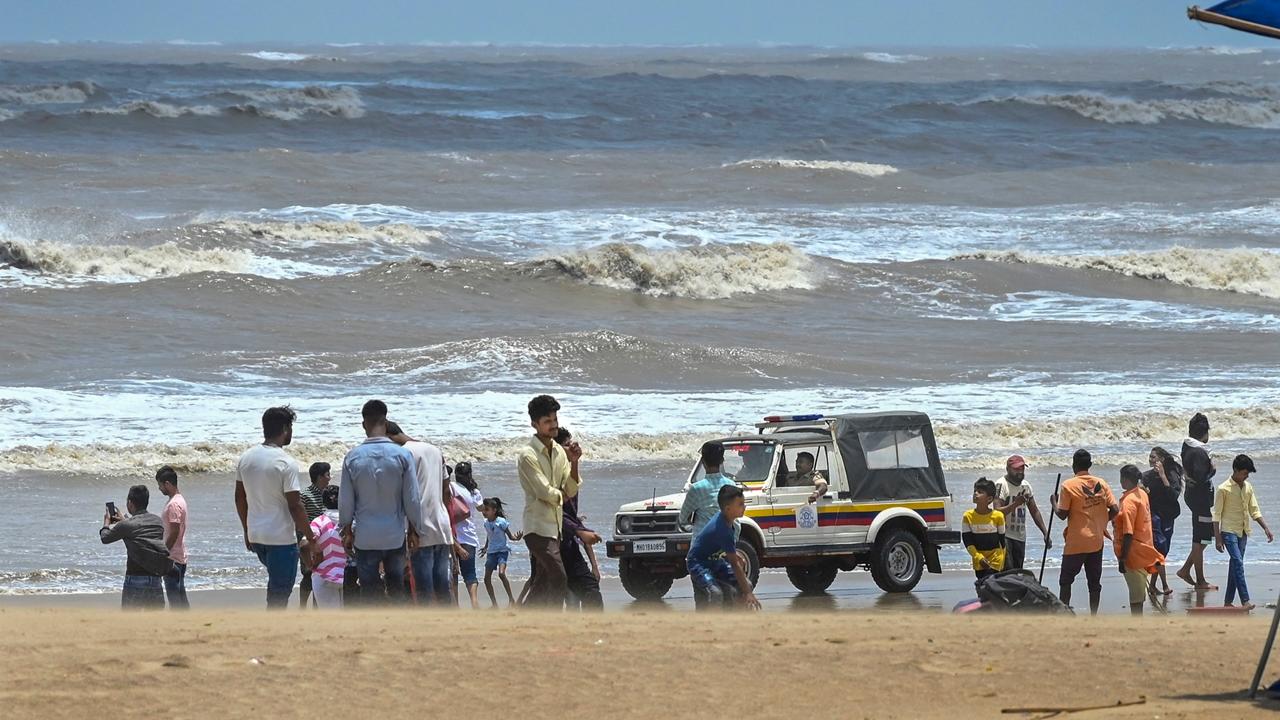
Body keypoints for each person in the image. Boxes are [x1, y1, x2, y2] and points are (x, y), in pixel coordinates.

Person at [337, 400, 425, 605]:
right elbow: (412, 498)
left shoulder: (352, 457)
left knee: (369, 590)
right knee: (396, 587)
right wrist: (414, 530)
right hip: (394, 535)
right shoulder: (403, 455)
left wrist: (347, 529)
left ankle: (373, 630)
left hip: (366, 537)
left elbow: (346, 500)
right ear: (385, 422)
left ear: (363, 424)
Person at [235, 406, 316, 610]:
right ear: (285, 429)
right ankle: (273, 632)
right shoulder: (285, 462)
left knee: (275, 588)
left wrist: (246, 529)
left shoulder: (246, 458)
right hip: (280, 539)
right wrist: (311, 537)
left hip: (257, 536)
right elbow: (295, 505)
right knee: (279, 593)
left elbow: (239, 497)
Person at [517, 395, 582, 608]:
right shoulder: (528, 455)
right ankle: (551, 624)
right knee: (559, 578)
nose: (553, 425)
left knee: (542, 584)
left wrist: (574, 462)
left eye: (555, 420)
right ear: (535, 424)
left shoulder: (560, 453)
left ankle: (522, 621)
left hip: (555, 529)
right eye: (547, 421)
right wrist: (561, 495)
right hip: (537, 528)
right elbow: (544, 492)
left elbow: (571, 489)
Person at [387, 421, 454, 606]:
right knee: (443, 586)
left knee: (424, 588)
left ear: (390, 437)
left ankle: (429, 628)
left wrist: (409, 528)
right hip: (442, 524)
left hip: (420, 527)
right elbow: (446, 490)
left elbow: (405, 494)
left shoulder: (403, 453)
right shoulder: (434, 450)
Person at [1051, 449, 1118, 615]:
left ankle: (1065, 614)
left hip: (1076, 542)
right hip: (1096, 540)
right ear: (1090, 465)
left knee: (1065, 581)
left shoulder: (1068, 485)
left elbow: (1062, 514)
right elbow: (1115, 509)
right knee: (1094, 582)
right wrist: (1102, 522)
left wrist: (1053, 502)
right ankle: (1093, 616)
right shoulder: (1101, 483)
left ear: (1074, 465)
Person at [685, 485, 761, 611]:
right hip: (698, 563)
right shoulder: (722, 529)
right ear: (728, 509)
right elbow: (735, 565)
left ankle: (737, 615)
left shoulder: (729, 522)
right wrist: (748, 593)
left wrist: (735, 555)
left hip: (714, 561)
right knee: (716, 593)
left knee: (746, 584)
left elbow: (725, 550)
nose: (744, 507)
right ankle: (713, 623)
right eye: (741, 504)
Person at [1214, 455, 1274, 610]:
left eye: (1247, 474)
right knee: (1238, 563)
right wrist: (1218, 539)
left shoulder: (1248, 487)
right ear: (1236, 470)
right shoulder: (1223, 489)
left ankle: (1228, 602)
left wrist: (1266, 528)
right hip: (1228, 531)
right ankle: (1245, 600)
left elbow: (1254, 510)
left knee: (1235, 565)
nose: (1246, 476)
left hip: (1243, 532)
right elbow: (1216, 515)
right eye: (1244, 473)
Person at [100, 484, 172, 610]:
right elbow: (140, 531)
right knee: (154, 623)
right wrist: (125, 520)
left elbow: (105, 538)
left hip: (135, 580)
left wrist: (106, 523)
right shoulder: (158, 522)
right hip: (155, 580)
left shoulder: (127, 526)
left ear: (130, 503)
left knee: (131, 623)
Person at [555, 427, 603, 610]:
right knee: (552, 594)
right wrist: (578, 530)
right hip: (552, 540)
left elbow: (572, 490)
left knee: (586, 591)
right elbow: (553, 509)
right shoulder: (550, 473)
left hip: (567, 539)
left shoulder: (566, 470)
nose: (572, 447)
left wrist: (575, 462)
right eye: (567, 445)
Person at [1114, 464, 1165, 616]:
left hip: (1132, 554)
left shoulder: (1128, 502)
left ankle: (1138, 626)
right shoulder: (1142, 494)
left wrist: (1123, 559)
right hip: (1145, 549)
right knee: (1139, 594)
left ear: (1125, 479)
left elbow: (1128, 533)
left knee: (1136, 598)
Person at [992, 455, 1050, 570]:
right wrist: (1015, 504)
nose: (1020, 472)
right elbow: (997, 512)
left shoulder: (1026, 486)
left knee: (1018, 572)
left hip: (1020, 536)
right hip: (1004, 536)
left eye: (1022, 469)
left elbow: (1034, 511)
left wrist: (1045, 532)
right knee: (1008, 573)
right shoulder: (1001, 485)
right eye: (1016, 469)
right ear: (1008, 469)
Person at [1179, 413, 1217, 590]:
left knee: (1204, 537)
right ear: (1205, 432)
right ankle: (1199, 580)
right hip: (1200, 499)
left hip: (1194, 497)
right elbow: (1201, 477)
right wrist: (1213, 471)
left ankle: (1186, 569)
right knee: (1201, 538)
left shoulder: (1187, 446)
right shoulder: (1199, 452)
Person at [1141, 447, 1182, 597]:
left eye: (1154, 457)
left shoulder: (1172, 474)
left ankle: (1152, 586)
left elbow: (1173, 496)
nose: (1151, 460)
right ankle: (1164, 585)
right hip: (1154, 516)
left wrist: (1163, 476)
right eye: (1150, 457)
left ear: (1162, 460)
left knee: (1163, 551)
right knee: (1160, 546)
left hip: (1168, 515)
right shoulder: (1146, 476)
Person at [680, 442, 739, 537]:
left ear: (703, 461)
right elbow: (736, 523)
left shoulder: (696, 489)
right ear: (722, 460)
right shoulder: (731, 485)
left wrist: (693, 526)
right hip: (724, 545)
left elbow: (682, 519)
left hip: (702, 546)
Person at [450, 461, 484, 609]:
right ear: (469, 474)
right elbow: (482, 508)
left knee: (453, 575)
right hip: (469, 536)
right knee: (470, 574)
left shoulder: (451, 487)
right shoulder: (475, 492)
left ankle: (456, 606)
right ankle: (474, 603)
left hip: (453, 537)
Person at [155, 465, 189, 610]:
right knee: (180, 596)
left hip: (173, 557)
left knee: (175, 599)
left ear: (167, 484)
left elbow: (174, 531)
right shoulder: (179, 500)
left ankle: (180, 625)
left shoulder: (174, 504)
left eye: (160, 485)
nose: (159, 489)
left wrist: (164, 552)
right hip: (179, 555)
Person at [297, 461, 331, 609]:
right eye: (327, 474)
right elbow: (299, 521)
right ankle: (302, 606)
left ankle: (317, 608)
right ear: (319, 477)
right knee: (308, 573)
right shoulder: (305, 495)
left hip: (326, 541)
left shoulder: (330, 494)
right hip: (309, 540)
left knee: (322, 575)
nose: (330, 478)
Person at [479, 497, 523, 608]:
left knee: (501, 574)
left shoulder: (501, 522)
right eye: (484, 510)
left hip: (502, 551)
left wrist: (516, 538)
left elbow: (510, 536)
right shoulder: (486, 523)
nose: (484, 512)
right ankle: (494, 604)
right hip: (491, 552)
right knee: (486, 578)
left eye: (487, 510)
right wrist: (485, 547)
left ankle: (511, 599)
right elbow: (490, 536)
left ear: (494, 510)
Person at [309, 485, 345, 609]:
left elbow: (304, 545)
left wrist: (311, 565)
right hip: (349, 576)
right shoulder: (351, 521)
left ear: (323, 502)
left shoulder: (318, 522)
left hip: (324, 575)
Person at [963, 477, 1006, 580]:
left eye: (980, 492)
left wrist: (1001, 562)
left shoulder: (998, 516)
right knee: (981, 586)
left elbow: (1002, 542)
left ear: (989, 499)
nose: (975, 494)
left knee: (990, 585)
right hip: (979, 560)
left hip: (995, 560)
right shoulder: (968, 516)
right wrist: (979, 558)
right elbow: (968, 542)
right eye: (975, 491)